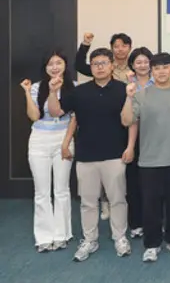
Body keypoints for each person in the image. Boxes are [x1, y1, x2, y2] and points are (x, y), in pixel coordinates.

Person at [47, 47, 135, 262]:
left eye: (103, 63)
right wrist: (52, 92)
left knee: (117, 200)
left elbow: (129, 121)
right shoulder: (80, 92)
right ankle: (90, 239)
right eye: (95, 64)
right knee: (88, 202)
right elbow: (56, 111)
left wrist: (130, 146)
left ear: (112, 65)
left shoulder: (123, 89)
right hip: (86, 155)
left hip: (114, 154)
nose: (99, 67)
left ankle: (120, 237)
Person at [121, 52, 170, 262]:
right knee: (150, 204)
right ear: (152, 71)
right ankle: (152, 244)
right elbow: (127, 121)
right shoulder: (141, 94)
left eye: (165, 67)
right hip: (149, 159)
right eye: (157, 68)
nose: (161, 71)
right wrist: (128, 97)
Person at [21, 50, 77, 252]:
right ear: (45, 68)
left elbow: (74, 118)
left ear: (65, 65)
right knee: (41, 191)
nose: (54, 67)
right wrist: (27, 92)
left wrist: (66, 143)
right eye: (50, 64)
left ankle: (62, 234)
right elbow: (34, 116)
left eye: (58, 62)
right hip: (39, 140)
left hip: (64, 138)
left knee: (62, 189)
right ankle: (44, 236)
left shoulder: (74, 87)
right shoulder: (37, 87)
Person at [75, 32, 133, 221]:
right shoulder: (101, 67)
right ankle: (105, 203)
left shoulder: (134, 67)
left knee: (121, 180)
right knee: (97, 178)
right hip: (96, 136)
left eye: (124, 45)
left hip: (124, 127)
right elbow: (79, 65)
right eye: (116, 46)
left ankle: (124, 215)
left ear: (129, 48)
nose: (120, 49)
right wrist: (86, 44)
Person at [124, 47, 154, 239]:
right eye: (138, 62)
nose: (143, 65)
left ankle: (155, 221)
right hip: (132, 136)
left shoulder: (158, 83)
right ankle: (136, 223)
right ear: (132, 65)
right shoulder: (127, 86)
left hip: (155, 136)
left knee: (153, 182)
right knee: (134, 182)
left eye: (146, 62)